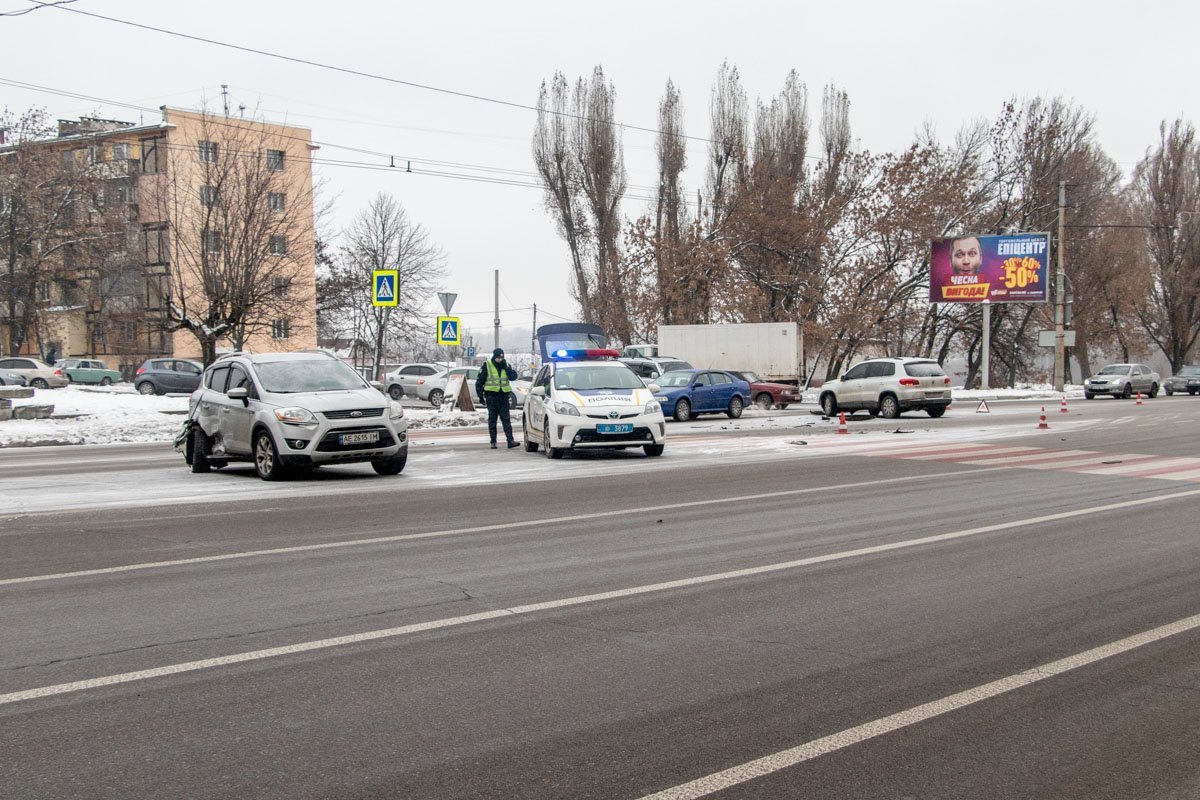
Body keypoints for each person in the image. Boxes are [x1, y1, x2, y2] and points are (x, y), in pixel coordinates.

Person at [475, 348, 520, 449]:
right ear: (494, 357)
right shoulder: (487, 365)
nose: (499, 359)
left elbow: (513, 377)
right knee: (492, 419)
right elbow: (479, 382)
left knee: (506, 419)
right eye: (498, 358)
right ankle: (493, 442)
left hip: (504, 396)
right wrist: (480, 396)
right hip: (491, 396)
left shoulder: (506, 365)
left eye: (501, 357)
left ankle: (510, 440)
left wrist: (507, 369)